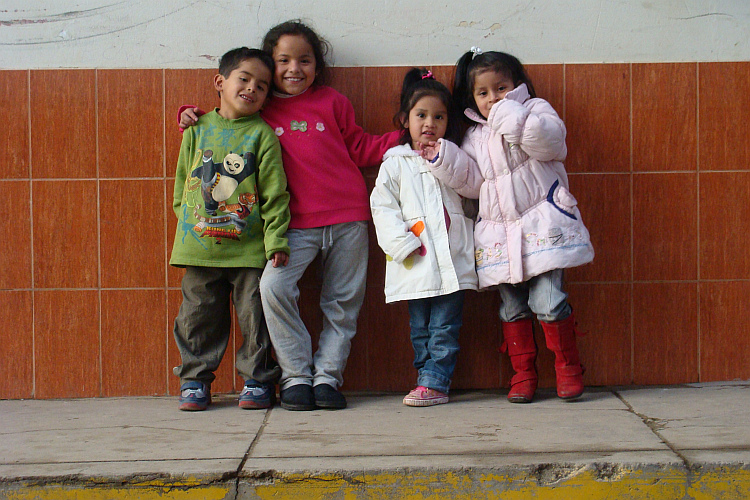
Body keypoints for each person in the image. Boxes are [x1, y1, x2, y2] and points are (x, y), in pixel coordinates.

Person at [179, 20, 400, 410]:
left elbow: (360, 146)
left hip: (349, 217)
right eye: (283, 60)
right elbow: (224, 121)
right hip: (293, 226)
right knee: (273, 288)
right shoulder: (260, 107)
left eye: (305, 60)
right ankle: (297, 376)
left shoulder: (333, 102)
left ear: (318, 65)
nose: (294, 68)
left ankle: (328, 378)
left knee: (343, 301)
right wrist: (192, 115)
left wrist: (408, 137)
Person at [428, 48, 595, 403]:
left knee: (549, 302)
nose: (493, 99)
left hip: (543, 227)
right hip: (500, 237)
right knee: (512, 308)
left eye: (500, 88)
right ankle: (523, 374)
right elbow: (475, 183)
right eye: (483, 93)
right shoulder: (474, 135)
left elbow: (552, 144)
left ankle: (568, 367)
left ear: (517, 84)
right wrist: (445, 158)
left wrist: (511, 115)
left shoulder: (535, 109)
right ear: (471, 98)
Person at [171, 47, 290, 411]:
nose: (252, 88)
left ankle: (257, 381)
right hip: (200, 247)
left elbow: (274, 194)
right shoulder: (196, 130)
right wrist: (190, 224)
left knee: (255, 316)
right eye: (244, 79)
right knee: (196, 317)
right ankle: (195, 379)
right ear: (220, 83)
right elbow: (181, 185)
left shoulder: (263, 137)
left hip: (249, 251)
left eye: (263, 86)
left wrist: (276, 240)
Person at [370, 68, 478, 407]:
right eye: (421, 115)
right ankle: (425, 378)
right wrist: (401, 244)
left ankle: (436, 381)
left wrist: (444, 160)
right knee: (420, 326)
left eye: (439, 116)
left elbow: (472, 186)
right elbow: (382, 207)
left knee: (445, 326)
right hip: (416, 259)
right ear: (405, 119)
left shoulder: (454, 157)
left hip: (452, 258)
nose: (429, 123)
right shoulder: (395, 164)